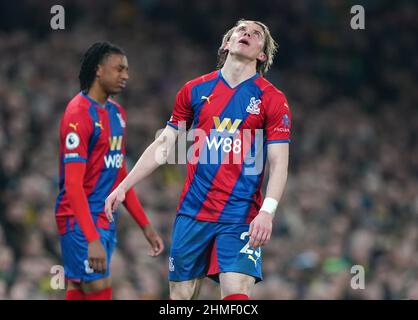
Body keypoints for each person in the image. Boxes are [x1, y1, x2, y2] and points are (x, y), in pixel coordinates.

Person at [105, 19, 291, 300]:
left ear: (262, 55)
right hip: (193, 213)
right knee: (181, 299)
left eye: (256, 35)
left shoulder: (271, 99)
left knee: (236, 292)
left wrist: (267, 211)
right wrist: (123, 185)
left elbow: (279, 162)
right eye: (242, 30)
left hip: (240, 216)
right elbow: (164, 144)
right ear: (227, 43)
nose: (248, 34)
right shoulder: (193, 90)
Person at [55, 41, 164, 300]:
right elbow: (72, 186)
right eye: (119, 69)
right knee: (98, 287)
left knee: (79, 288)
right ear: (98, 70)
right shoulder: (77, 114)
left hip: (103, 218)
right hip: (79, 219)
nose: (125, 75)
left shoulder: (118, 114)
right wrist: (91, 237)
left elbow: (119, 174)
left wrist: (145, 225)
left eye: (126, 70)